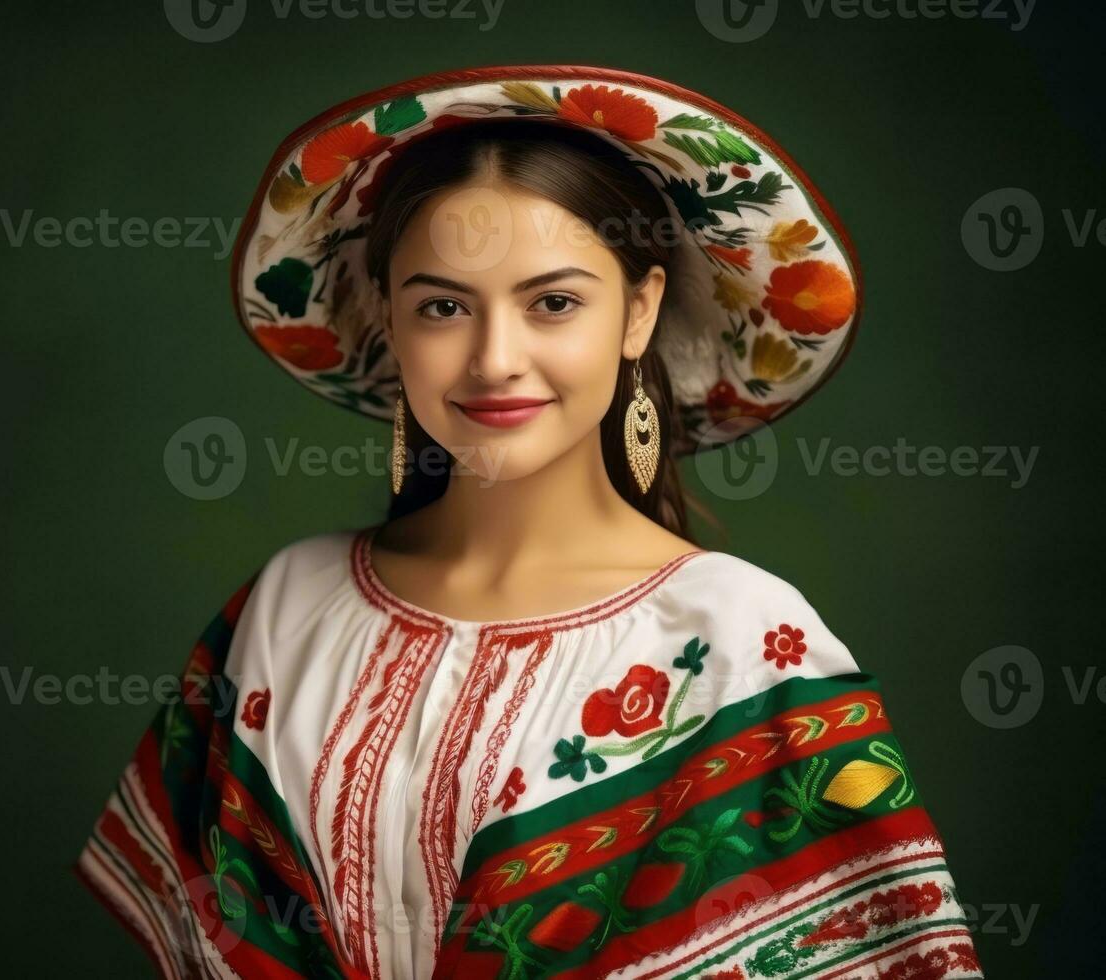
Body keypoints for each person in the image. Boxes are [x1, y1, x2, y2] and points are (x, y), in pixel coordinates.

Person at [74, 66, 985, 979]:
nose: (494, 359)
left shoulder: (741, 643)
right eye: (442, 307)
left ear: (638, 311)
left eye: (552, 302)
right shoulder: (284, 608)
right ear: (389, 319)